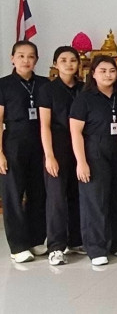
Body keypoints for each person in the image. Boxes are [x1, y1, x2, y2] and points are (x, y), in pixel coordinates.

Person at [70, 56, 117, 266]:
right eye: (102, 71)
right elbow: (75, 132)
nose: (108, 75)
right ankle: (96, 248)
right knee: (95, 201)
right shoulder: (84, 99)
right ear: (93, 74)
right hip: (94, 153)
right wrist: (81, 162)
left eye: (112, 71)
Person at [0, 41, 48, 263]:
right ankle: (18, 246)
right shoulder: (4, 85)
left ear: (36, 59)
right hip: (13, 144)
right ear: (12, 58)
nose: (26, 60)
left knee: (39, 192)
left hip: (40, 143)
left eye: (30, 56)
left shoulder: (44, 84)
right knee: (13, 194)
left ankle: (36, 239)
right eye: (21, 56)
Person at [39, 46, 84, 265]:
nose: (68, 64)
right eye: (63, 60)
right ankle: (56, 247)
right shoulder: (47, 90)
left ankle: (76, 240)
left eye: (73, 60)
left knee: (78, 194)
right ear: (55, 64)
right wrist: (49, 155)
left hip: (81, 148)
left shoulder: (84, 89)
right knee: (56, 198)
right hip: (57, 147)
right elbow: (44, 125)